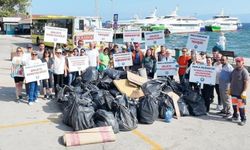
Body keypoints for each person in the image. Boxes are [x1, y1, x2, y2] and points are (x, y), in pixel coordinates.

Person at [229, 57, 249, 126]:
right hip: (233, 92)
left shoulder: (244, 71)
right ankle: (235, 116)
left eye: (239, 61)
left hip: (240, 93)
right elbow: (232, 79)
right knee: (234, 105)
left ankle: (243, 119)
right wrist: (230, 88)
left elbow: (246, 82)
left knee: (241, 107)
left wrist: (244, 91)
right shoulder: (234, 70)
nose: (237, 63)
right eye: (236, 61)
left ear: (242, 62)